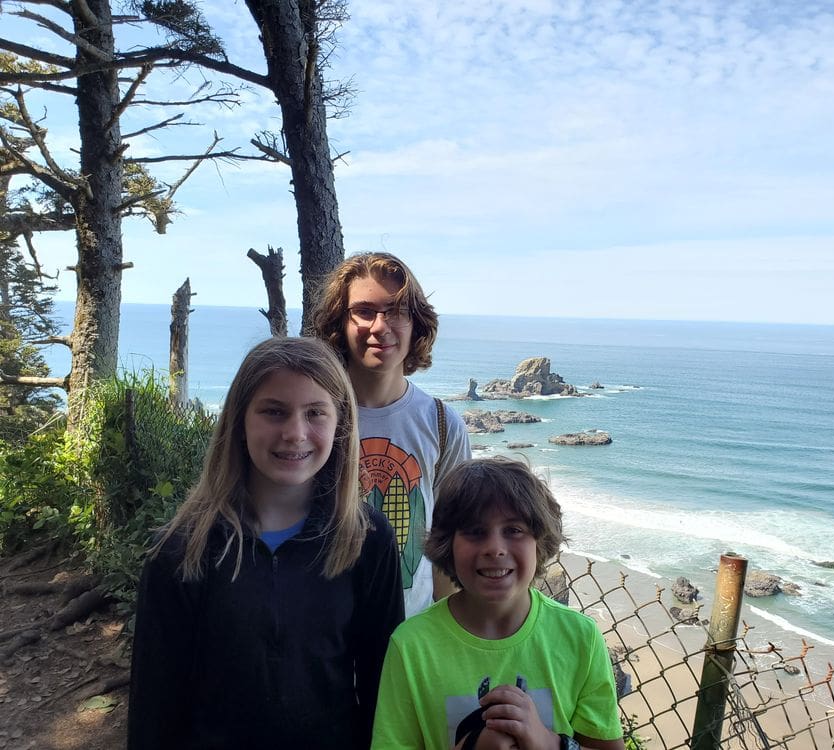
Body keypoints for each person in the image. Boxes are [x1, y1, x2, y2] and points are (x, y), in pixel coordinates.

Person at [127, 337, 403, 750]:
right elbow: (155, 703)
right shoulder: (182, 548)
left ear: (340, 423)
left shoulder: (367, 538)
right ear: (240, 420)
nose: (295, 433)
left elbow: (385, 686)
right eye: (274, 411)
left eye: (315, 413)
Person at [371, 457, 626, 750]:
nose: (495, 548)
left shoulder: (581, 638)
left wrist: (547, 742)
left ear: (540, 542)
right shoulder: (411, 646)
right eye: (475, 531)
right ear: (447, 544)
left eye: (514, 530)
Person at [314, 252, 471, 618]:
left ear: (416, 324)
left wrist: (443, 636)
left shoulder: (442, 424)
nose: (380, 326)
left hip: (407, 638)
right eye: (364, 311)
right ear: (342, 320)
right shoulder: (312, 416)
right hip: (320, 632)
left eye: (397, 311)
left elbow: (450, 543)